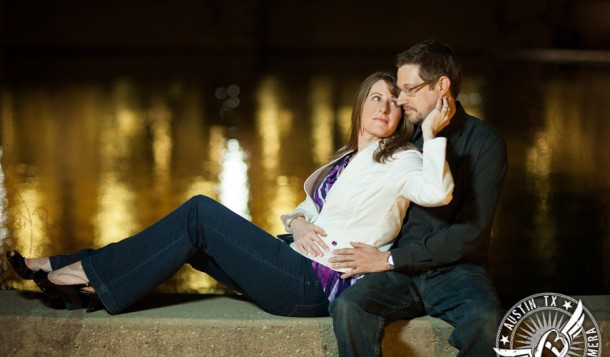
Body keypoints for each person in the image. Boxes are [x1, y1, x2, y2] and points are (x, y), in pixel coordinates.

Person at [7, 71, 454, 318]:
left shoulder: (402, 160)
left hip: (316, 283)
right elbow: (306, 209)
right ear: (360, 105)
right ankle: (74, 268)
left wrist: (432, 132)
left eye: (395, 103)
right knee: (182, 240)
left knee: (199, 213)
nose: (385, 107)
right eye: (377, 97)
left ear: (402, 118)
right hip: (296, 256)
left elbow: (436, 191)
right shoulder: (346, 159)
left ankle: (83, 275)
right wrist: (298, 222)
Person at [328, 40, 508, 357]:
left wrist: (389, 261)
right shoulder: (403, 137)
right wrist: (301, 220)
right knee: (350, 307)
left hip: (458, 272)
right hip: (401, 274)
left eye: (409, 90)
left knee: (485, 320)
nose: (400, 100)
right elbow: (348, 183)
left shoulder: (486, 142)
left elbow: (471, 233)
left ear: (441, 86)